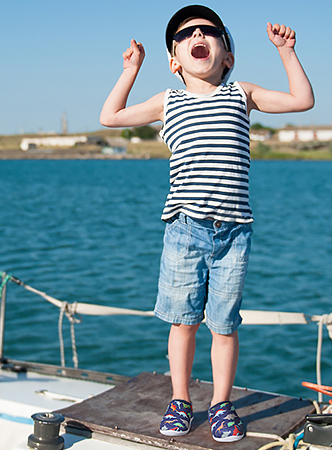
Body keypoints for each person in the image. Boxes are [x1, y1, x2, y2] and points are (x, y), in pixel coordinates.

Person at [100, 4, 314, 443]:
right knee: (183, 322)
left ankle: (221, 405)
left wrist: (287, 52)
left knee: (224, 324)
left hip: (234, 231)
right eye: (186, 33)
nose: (198, 33)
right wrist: (131, 69)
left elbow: (302, 100)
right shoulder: (168, 101)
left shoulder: (242, 93)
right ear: (175, 60)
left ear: (227, 57)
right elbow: (110, 117)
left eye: (209, 30)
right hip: (184, 229)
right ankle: (180, 400)